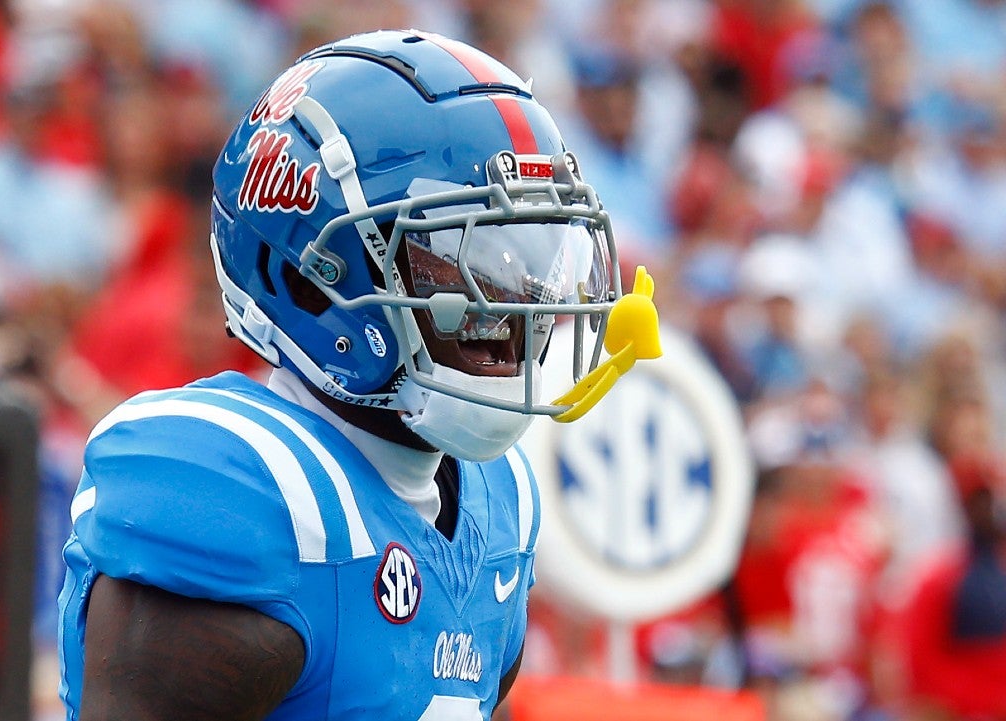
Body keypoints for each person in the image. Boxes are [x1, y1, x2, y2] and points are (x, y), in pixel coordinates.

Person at [57, 29, 660, 721]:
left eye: (535, 254)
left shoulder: (501, 504)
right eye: (474, 260)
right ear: (310, 278)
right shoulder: (247, 494)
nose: (521, 304)